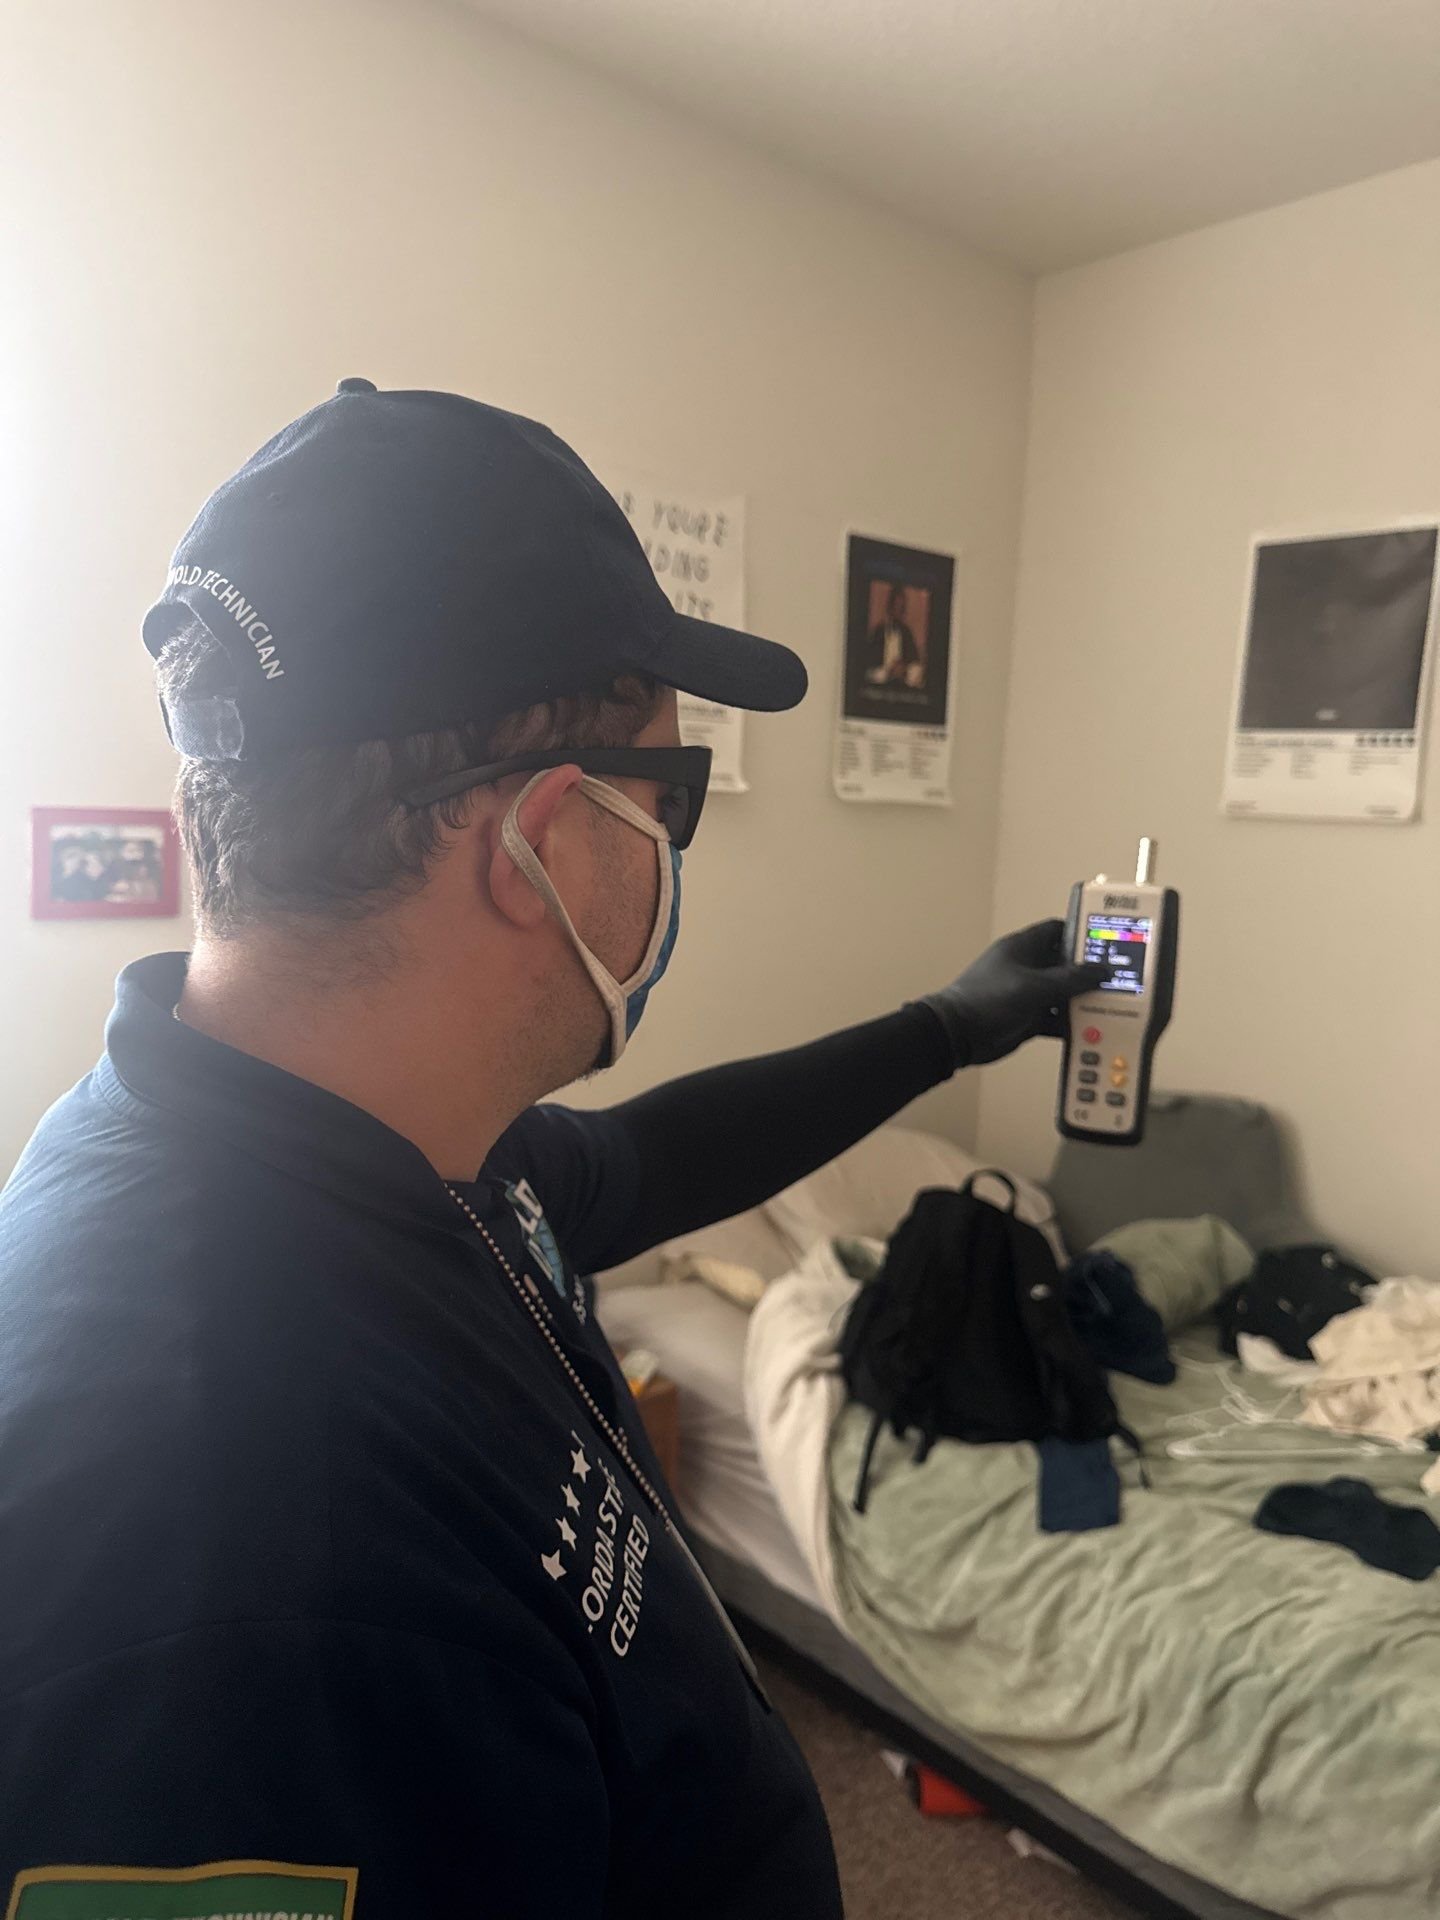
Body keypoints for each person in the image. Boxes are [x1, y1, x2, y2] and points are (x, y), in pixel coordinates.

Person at [0, 380, 1105, 1920]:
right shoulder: (240, 1553)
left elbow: (646, 1165)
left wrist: (947, 1028)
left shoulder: (363, 1140)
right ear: (543, 839)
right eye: (673, 798)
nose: (674, 849)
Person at [865, 581, 923, 687]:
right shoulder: (879, 632)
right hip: (881, 686)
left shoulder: (907, 632)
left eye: (901, 608)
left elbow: (917, 666)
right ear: (890, 608)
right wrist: (889, 671)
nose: (898, 612)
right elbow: (868, 670)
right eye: (896, 607)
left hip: (903, 686)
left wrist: (904, 669)